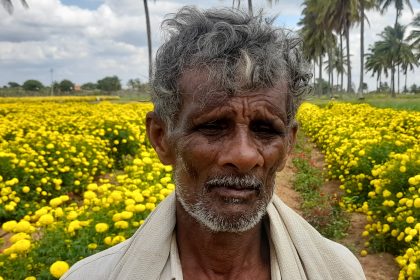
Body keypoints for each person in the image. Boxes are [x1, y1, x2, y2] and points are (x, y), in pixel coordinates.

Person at [62, 6, 366, 280]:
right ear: (160, 137)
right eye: (212, 127)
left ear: (288, 144)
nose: (244, 156)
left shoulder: (338, 271)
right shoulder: (93, 275)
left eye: (266, 130)